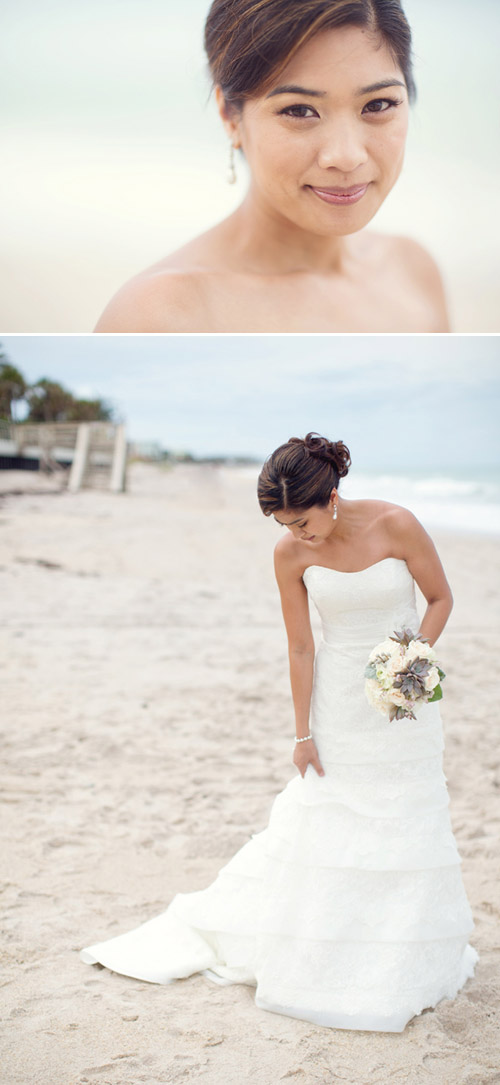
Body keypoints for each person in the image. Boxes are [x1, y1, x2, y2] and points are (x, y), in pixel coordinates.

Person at [81, 432, 478, 1032]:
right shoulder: (289, 555)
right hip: (338, 704)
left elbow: (441, 598)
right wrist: (302, 734)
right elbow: (300, 646)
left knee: (406, 812)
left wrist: (412, 660)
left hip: (406, 695)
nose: (297, 534)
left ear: (332, 496)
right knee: (333, 816)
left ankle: (400, 947)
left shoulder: (398, 525)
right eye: (285, 525)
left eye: (303, 521)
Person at [94, 0, 449, 333]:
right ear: (230, 116)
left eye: (378, 104)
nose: (346, 156)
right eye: (299, 111)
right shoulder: (162, 315)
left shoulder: (412, 271)